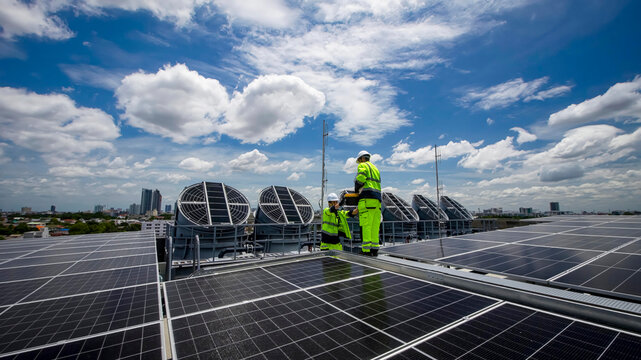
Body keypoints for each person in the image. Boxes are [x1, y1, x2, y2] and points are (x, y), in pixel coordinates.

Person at [354, 150, 381, 256]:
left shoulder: (363, 166)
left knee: (366, 226)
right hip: (377, 201)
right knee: (375, 226)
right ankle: (374, 248)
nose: (359, 162)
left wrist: (356, 188)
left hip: (367, 200)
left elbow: (360, 179)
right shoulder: (375, 169)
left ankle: (366, 250)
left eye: (359, 160)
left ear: (362, 158)